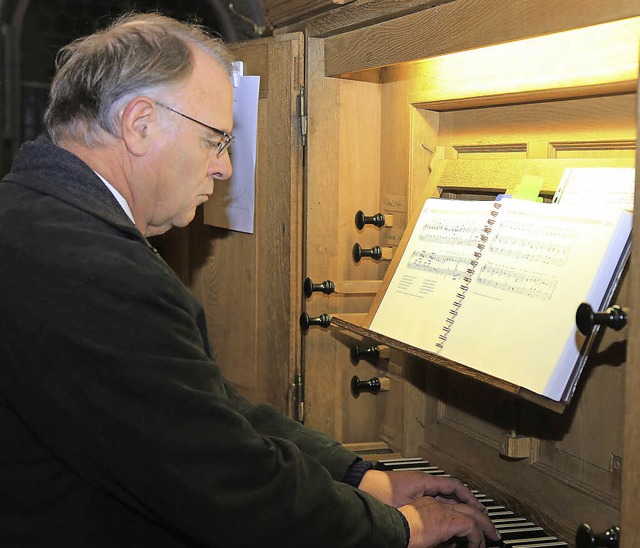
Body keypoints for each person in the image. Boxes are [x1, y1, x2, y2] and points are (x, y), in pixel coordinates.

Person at [0, 12, 500, 548]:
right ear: (140, 123)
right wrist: (403, 529)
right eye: (216, 139)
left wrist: (364, 478)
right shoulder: (97, 271)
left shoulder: (33, 218)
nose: (225, 170)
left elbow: (202, 408)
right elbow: (229, 483)